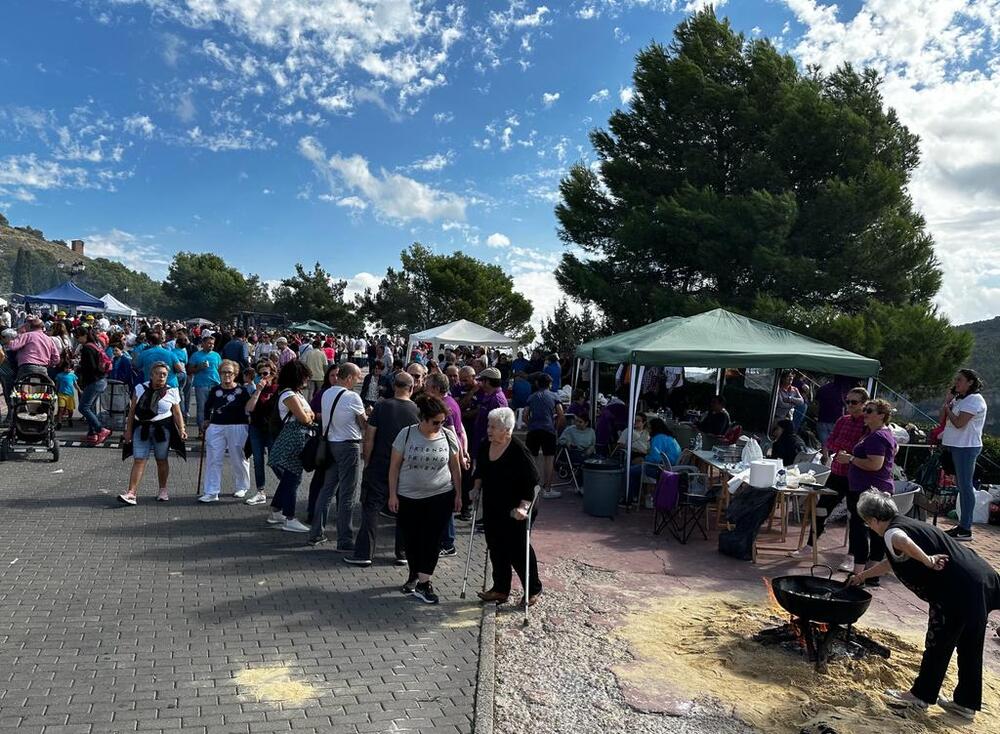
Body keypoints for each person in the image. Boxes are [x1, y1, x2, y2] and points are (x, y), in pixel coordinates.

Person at [849, 490, 1000, 720]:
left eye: (868, 523)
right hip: (982, 578)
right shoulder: (907, 522)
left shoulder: (892, 531)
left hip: (956, 589)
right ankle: (966, 703)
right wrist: (863, 576)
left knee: (938, 642)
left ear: (874, 520)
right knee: (970, 644)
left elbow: (900, 540)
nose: (869, 527)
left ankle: (921, 695)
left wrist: (927, 560)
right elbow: (893, 559)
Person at [388, 394, 463, 604]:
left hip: (440, 495)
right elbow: (394, 467)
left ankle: (424, 582)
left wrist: (458, 493)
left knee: (432, 540)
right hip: (408, 496)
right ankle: (414, 574)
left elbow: (455, 467)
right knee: (412, 540)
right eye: (435, 422)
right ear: (423, 418)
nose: (440, 426)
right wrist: (392, 494)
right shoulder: (407, 434)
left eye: (442, 422)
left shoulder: (448, 436)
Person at [344, 372, 418, 568]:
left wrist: (367, 461)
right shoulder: (417, 410)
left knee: (371, 508)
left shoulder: (381, 406)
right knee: (404, 510)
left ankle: (364, 553)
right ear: (412, 388)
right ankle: (402, 553)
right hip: (405, 467)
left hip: (379, 464)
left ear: (395, 386)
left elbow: (369, 437)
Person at [474, 407, 542, 606]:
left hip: (518, 505)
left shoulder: (519, 451)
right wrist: (476, 487)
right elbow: (481, 470)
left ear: (507, 430)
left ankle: (533, 589)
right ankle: (500, 589)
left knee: (518, 549)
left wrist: (524, 507)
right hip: (494, 503)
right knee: (495, 545)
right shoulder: (486, 445)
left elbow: (532, 482)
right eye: (489, 425)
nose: (489, 430)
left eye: (493, 426)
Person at [796, 387, 870, 562]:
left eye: (854, 402)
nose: (850, 405)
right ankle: (810, 545)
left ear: (864, 404)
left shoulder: (868, 424)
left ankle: (852, 555)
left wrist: (846, 450)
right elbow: (830, 441)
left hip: (855, 477)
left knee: (856, 517)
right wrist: (841, 448)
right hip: (837, 472)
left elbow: (863, 448)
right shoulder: (842, 420)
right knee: (821, 509)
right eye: (848, 401)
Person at [834, 398, 898, 583]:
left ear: (881, 415)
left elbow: (875, 464)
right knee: (875, 531)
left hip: (869, 490)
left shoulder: (878, 436)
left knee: (861, 529)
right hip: (872, 488)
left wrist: (851, 459)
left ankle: (859, 573)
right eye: (865, 410)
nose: (865, 414)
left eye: (869, 411)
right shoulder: (880, 434)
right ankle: (871, 574)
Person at [309, 363, 366, 551]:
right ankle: (344, 539)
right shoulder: (353, 397)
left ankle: (316, 533)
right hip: (348, 445)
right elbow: (363, 424)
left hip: (331, 444)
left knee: (327, 490)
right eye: (357, 377)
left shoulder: (327, 393)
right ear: (349, 377)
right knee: (347, 494)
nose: (357, 381)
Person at [118, 362, 187, 505]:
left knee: (161, 459)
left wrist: (182, 429)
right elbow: (131, 412)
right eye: (158, 374)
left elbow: (177, 412)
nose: (161, 377)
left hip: (162, 430)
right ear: (151, 375)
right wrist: (128, 431)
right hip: (141, 428)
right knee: (139, 459)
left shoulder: (172, 391)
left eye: (164, 374)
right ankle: (131, 493)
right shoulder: (140, 388)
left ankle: (163, 490)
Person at [266, 360, 315, 533]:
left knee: (290, 476)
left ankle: (276, 511)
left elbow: (309, 415)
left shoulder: (295, 394)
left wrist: (309, 415)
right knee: (293, 477)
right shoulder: (288, 395)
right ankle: (289, 517)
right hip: (294, 438)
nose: (307, 381)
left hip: (296, 437)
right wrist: (309, 415)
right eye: (305, 377)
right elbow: (305, 418)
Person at [940, 369, 987, 542]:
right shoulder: (961, 400)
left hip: (966, 447)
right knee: (961, 485)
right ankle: (962, 526)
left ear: (970, 383)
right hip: (955, 446)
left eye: (960, 380)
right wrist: (947, 403)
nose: (956, 383)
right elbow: (943, 419)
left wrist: (948, 408)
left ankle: (966, 528)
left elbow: (959, 423)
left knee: (966, 487)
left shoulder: (975, 400)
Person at [198, 360, 253, 503]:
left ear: (235, 374)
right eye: (223, 372)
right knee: (213, 459)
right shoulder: (215, 390)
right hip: (216, 426)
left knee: (239, 458)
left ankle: (242, 486)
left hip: (238, 426)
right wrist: (205, 420)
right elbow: (207, 406)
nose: (226, 375)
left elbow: (248, 408)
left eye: (229, 372)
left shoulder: (242, 390)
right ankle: (211, 491)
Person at [524, 373, 565, 499]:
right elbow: (561, 414)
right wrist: (556, 428)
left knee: (531, 459)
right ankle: (547, 489)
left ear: (537, 383)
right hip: (548, 429)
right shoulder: (554, 396)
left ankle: (531, 487)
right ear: (550, 384)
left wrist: (530, 424)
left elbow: (525, 415)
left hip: (533, 430)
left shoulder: (531, 397)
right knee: (549, 460)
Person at [626, 417, 681, 503]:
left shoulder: (658, 438)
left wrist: (644, 459)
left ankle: (630, 498)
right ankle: (636, 497)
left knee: (630, 471)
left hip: (662, 469)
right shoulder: (670, 437)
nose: (647, 429)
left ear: (653, 428)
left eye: (649, 427)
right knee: (636, 468)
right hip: (671, 468)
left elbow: (655, 458)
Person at [245, 361, 276, 506]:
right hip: (256, 427)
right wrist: (258, 391)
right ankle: (260, 491)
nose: (262, 377)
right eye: (260, 374)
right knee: (258, 460)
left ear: (272, 375)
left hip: (271, 429)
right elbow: (249, 408)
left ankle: (287, 483)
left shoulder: (277, 390)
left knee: (274, 460)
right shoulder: (256, 389)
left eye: (266, 374)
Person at [74, 327, 112, 445]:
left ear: (83, 335)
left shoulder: (87, 348)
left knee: (83, 407)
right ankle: (92, 434)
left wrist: (78, 368)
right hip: (101, 379)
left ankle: (100, 430)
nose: (77, 339)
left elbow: (91, 367)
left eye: (77, 336)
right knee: (91, 408)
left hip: (94, 381)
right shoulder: (96, 344)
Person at [188, 335, 221, 435]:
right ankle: (201, 430)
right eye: (209, 343)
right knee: (202, 408)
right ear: (203, 344)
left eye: (212, 344)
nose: (211, 345)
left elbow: (220, 369)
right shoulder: (196, 355)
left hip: (215, 384)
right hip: (201, 384)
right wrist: (199, 367)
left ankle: (213, 430)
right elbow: (189, 370)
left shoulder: (216, 355)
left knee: (216, 408)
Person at [815, 376, 854, 445]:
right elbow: (846, 406)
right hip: (836, 421)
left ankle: (825, 455)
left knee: (824, 444)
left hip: (822, 419)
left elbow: (817, 403)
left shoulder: (823, 388)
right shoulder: (844, 390)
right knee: (835, 444)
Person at [55, 361, 78, 429]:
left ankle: (70, 419)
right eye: (66, 368)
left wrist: (79, 390)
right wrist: (55, 392)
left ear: (71, 369)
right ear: (63, 368)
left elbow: (75, 384)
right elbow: (57, 385)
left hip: (70, 395)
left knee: (70, 410)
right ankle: (59, 422)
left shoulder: (73, 376)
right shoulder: (59, 375)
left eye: (69, 368)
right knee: (61, 409)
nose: (68, 369)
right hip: (61, 394)